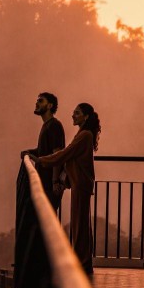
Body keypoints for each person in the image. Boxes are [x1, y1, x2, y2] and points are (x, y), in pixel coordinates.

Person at [30, 102, 100, 273]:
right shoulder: (84, 134)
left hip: (81, 183)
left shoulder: (84, 136)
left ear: (86, 116)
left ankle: (82, 262)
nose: (73, 115)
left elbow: (65, 153)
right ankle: (83, 261)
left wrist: (42, 160)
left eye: (77, 113)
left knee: (80, 223)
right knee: (81, 222)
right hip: (80, 182)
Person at [23, 92, 66, 211]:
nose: (36, 103)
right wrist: (29, 152)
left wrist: (55, 181)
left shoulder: (54, 125)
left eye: (41, 101)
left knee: (47, 217)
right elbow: (43, 150)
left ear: (49, 106)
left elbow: (57, 155)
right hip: (45, 182)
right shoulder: (47, 125)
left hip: (49, 184)